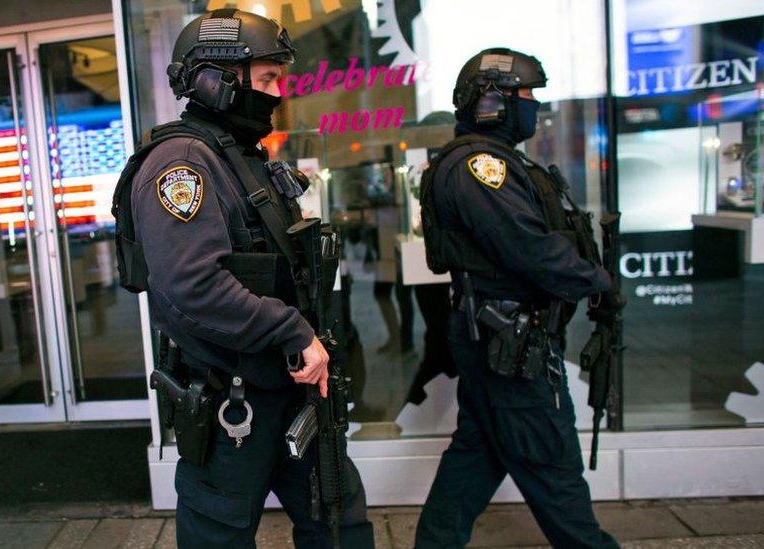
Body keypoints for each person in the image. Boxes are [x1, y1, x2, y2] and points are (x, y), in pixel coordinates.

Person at [119, 9, 374, 548]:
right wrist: (293, 331)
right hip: (231, 403)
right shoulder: (182, 163)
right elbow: (193, 287)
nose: (278, 92)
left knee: (339, 523)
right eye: (266, 80)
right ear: (218, 82)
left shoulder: (241, 158)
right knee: (220, 537)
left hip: (289, 388)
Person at [415, 48, 623, 548]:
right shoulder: (480, 167)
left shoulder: (494, 162)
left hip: (498, 338)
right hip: (511, 341)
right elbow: (529, 247)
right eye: (526, 94)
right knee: (551, 463)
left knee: (477, 455)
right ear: (492, 103)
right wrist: (598, 282)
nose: (533, 105)